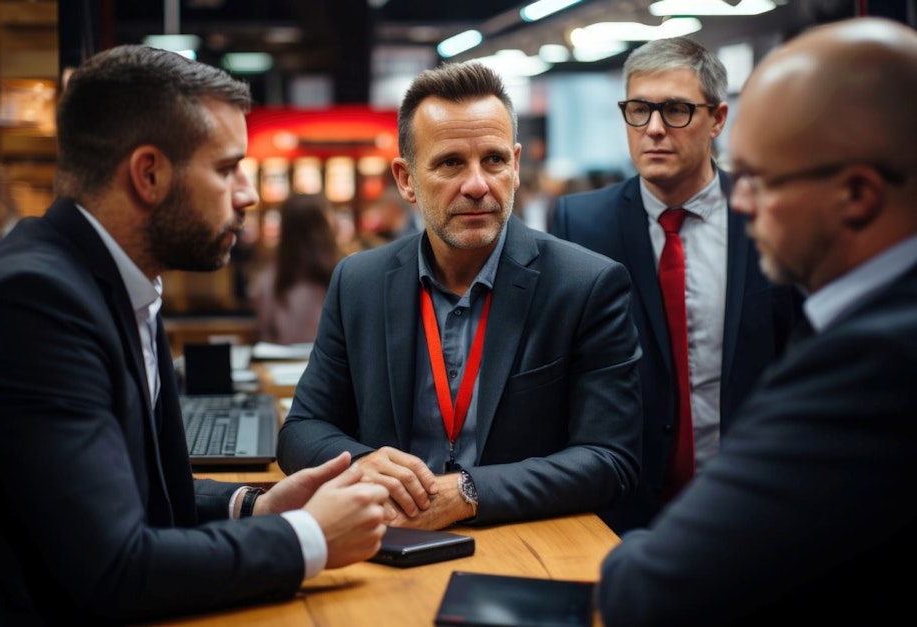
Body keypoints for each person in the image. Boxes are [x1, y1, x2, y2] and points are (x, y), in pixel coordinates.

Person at [0, 45, 391, 625]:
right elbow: (114, 568)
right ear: (149, 174)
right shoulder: (35, 303)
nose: (247, 194)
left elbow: (126, 489)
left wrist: (256, 504)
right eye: (226, 169)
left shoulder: (110, 280)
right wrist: (309, 537)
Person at [597, 16, 917, 626]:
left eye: (763, 180)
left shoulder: (874, 360)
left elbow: (652, 589)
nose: (739, 203)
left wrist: (629, 556)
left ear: (858, 195)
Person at [277, 61, 643, 530]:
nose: (476, 185)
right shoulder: (360, 282)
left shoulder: (584, 285)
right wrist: (362, 464)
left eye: (493, 160)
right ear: (406, 179)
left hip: (524, 543)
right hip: (387, 540)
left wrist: (469, 491)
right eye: (451, 163)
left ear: (514, 166)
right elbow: (302, 430)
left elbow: (610, 458)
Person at [550, 36, 799, 533]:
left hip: (752, 502)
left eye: (677, 111)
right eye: (639, 110)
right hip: (622, 508)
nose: (655, 129)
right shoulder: (581, 222)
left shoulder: (770, 216)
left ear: (718, 120)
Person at [251, 193, 341, 345]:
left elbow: (266, 334)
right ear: (323, 229)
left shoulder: (266, 280)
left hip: (278, 364)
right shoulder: (340, 277)